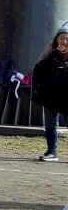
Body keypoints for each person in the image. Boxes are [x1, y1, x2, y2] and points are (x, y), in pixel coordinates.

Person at [32, 28, 68, 161]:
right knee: (51, 124)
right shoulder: (49, 52)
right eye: (61, 38)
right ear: (56, 39)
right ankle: (52, 151)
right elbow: (41, 68)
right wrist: (57, 54)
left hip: (66, 94)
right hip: (51, 94)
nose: (64, 41)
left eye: (67, 39)